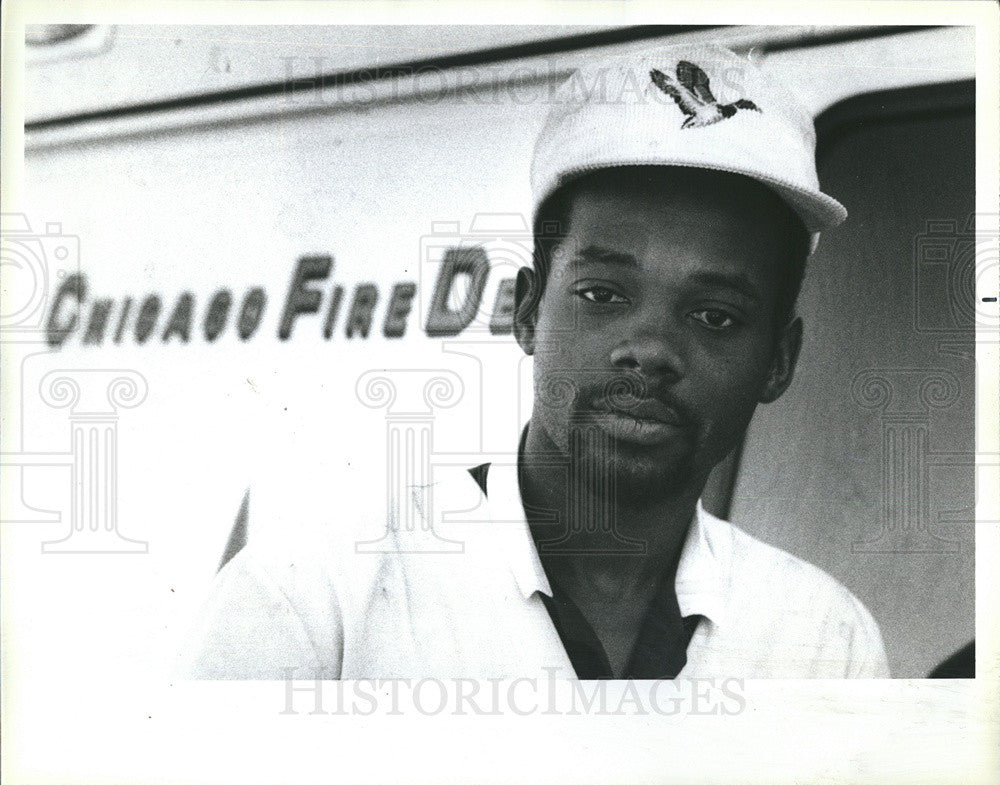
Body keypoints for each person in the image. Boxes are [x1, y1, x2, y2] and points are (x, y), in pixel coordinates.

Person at [176, 43, 890, 680]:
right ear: (526, 310)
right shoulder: (314, 602)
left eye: (716, 316)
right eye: (603, 292)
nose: (650, 350)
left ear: (778, 361)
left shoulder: (827, 644)